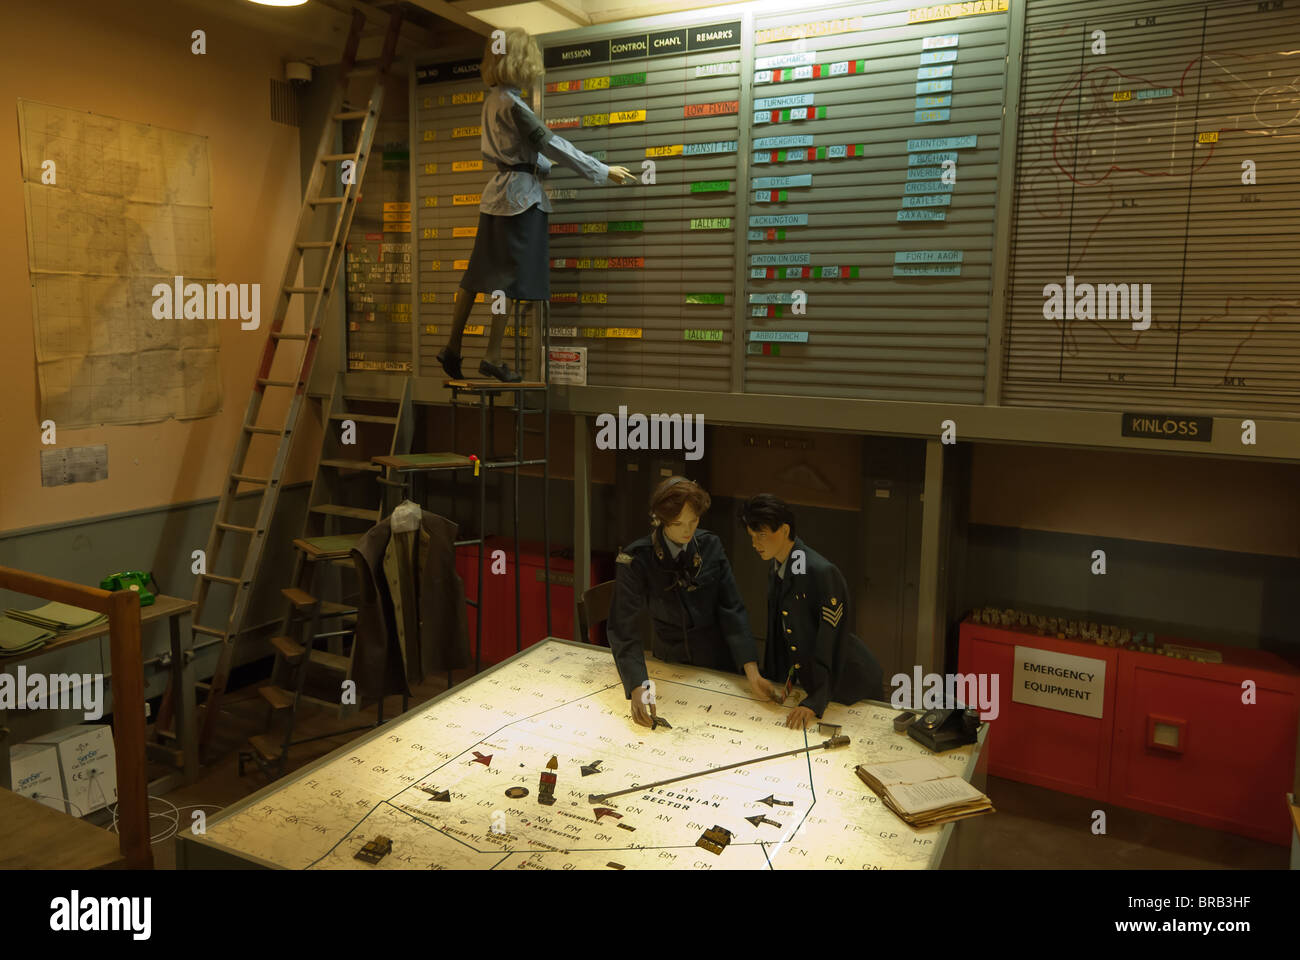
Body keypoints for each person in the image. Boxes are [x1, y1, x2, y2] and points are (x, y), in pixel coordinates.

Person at [435, 27, 636, 383]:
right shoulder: (515, 105)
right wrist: (602, 170)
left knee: (476, 275)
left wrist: (539, 165)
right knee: (509, 281)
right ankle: (493, 356)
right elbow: (553, 145)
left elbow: (523, 154)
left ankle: (452, 347)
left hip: (496, 195)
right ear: (519, 60)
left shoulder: (493, 100)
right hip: (520, 200)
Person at [607, 477, 784, 728]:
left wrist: (752, 672)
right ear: (660, 520)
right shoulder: (636, 559)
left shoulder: (710, 545)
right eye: (678, 523)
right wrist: (638, 686)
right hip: (670, 663)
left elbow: (732, 608)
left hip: (718, 663)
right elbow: (624, 629)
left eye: (694, 521)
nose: (687, 531)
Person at [739, 493, 883, 729]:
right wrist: (776, 680)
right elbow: (782, 632)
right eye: (752, 536)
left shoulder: (821, 572)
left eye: (762, 535)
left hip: (849, 684)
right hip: (812, 683)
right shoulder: (777, 566)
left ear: (785, 531)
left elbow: (830, 640)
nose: (755, 544)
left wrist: (816, 700)